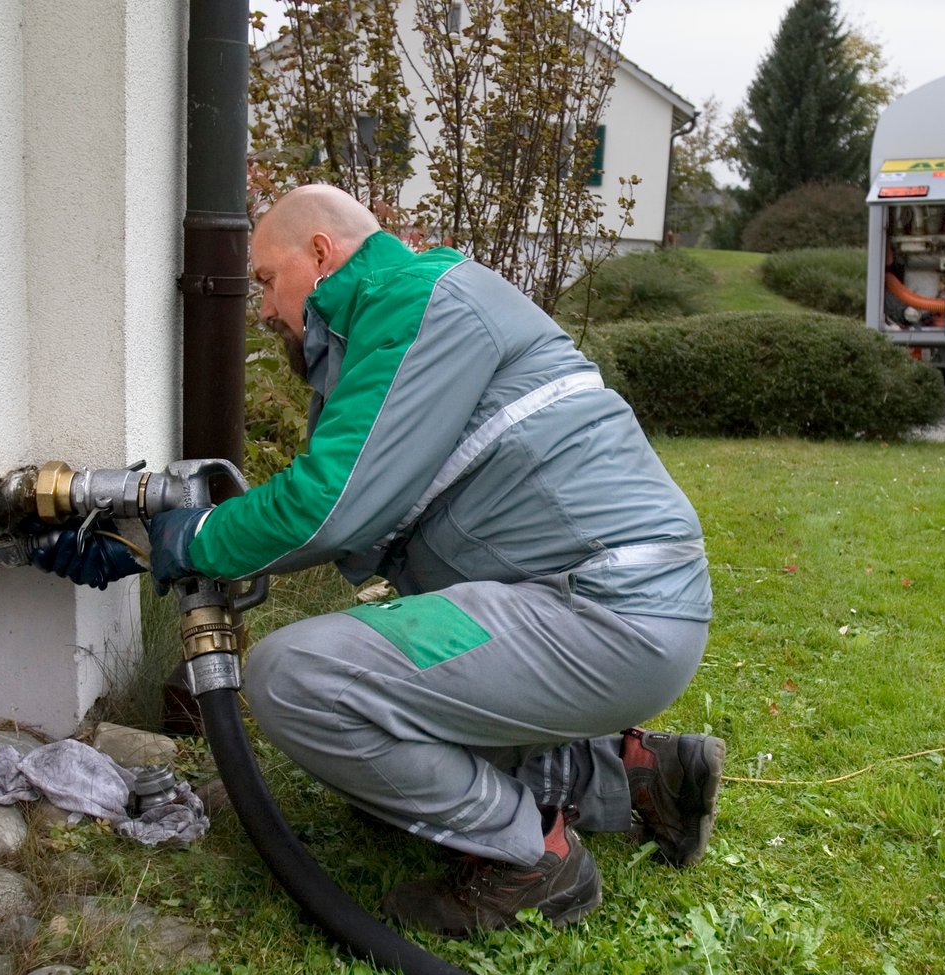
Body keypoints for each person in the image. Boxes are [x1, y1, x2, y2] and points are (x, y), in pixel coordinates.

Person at [37, 185, 721, 937]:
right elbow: (361, 511)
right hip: (607, 604)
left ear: (322, 253)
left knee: (299, 677)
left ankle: (533, 857)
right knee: (381, 746)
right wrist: (143, 543)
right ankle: (639, 777)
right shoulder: (405, 316)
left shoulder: (416, 303)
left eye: (267, 279)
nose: (262, 308)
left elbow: (328, 505)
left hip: (600, 611)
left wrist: (195, 540)